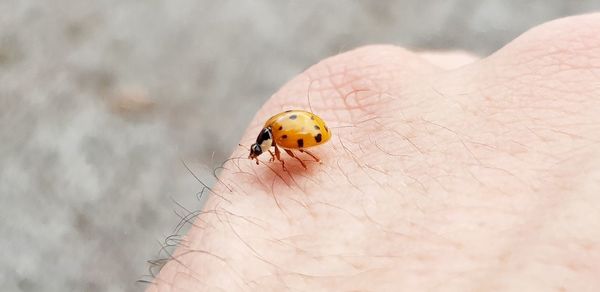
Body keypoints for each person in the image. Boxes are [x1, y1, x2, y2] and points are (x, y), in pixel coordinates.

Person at [149, 14, 600, 291]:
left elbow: (284, 146)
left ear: (267, 145)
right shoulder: (277, 139)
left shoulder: (279, 141)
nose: (264, 154)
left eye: (263, 150)